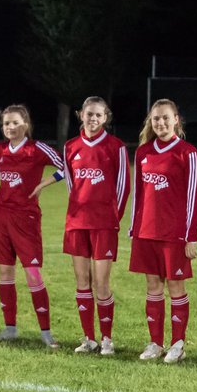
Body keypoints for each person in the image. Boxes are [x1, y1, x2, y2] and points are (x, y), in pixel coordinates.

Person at [128, 99, 197, 364]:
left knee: (175, 286)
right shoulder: (143, 152)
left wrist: (190, 235)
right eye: (156, 119)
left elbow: (194, 196)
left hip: (174, 235)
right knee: (152, 286)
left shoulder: (187, 153)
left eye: (165, 118)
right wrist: (134, 227)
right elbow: (138, 193)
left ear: (176, 120)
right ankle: (155, 343)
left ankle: (178, 344)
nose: (160, 123)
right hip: (147, 231)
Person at [0, 104, 66, 348]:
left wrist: (44, 183)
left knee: (32, 274)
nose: (10, 127)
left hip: (26, 220)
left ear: (26, 125)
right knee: (4, 273)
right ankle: (10, 328)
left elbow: (65, 167)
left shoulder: (37, 149)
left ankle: (46, 333)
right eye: (6, 124)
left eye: (15, 123)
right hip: (2, 218)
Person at [63, 97, 129, 356]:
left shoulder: (116, 147)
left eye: (98, 115)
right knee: (82, 281)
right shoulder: (70, 147)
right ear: (81, 114)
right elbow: (71, 186)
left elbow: (123, 187)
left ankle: (106, 339)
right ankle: (88, 338)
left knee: (101, 282)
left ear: (105, 118)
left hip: (104, 225)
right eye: (89, 114)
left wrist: (114, 219)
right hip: (77, 224)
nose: (92, 119)